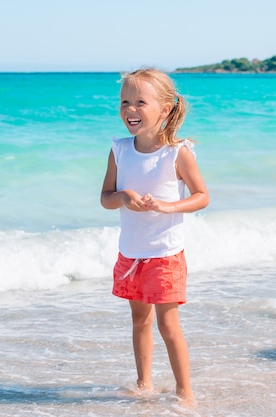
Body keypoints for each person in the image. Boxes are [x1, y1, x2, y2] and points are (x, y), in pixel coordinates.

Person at [100, 68, 209, 404]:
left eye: (140, 102)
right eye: (125, 102)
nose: (130, 110)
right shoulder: (119, 149)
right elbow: (106, 198)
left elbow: (201, 195)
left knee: (167, 324)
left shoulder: (177, 153)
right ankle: (144, 383)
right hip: (131, 253)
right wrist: (124, 198)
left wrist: (166, 206)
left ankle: (184, 390)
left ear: (164, 109)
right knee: (139, 320)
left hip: (164, 253)